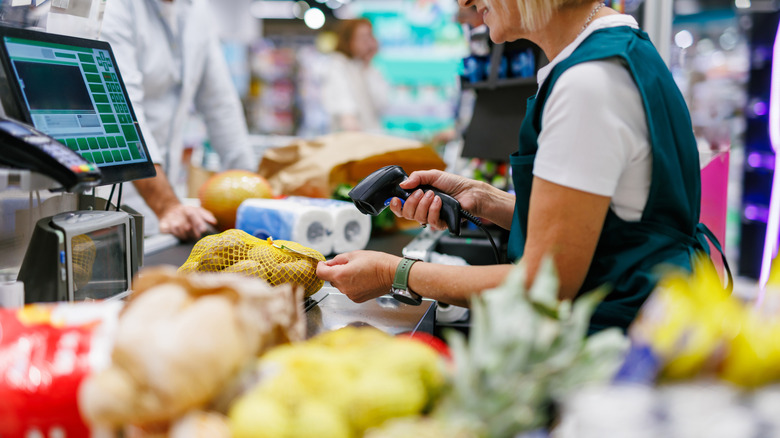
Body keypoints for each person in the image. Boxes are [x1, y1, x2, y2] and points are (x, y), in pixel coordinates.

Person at [317, 0, 728, 333]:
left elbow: (541, 283)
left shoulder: (587, 84)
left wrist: (396, 272)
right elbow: (609, 230)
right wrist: (487, 200)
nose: (464, 2)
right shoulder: (619, 51)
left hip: (618, 338)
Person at [101, 0, 258, 241]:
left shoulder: (197, 11)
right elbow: (120, 111)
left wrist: (252, 198)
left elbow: (221, 106)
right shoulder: (114, 8)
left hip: (166, 208)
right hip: (112, 204)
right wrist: (166, 205)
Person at [321, 18, 390, 133]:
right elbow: (342, 100)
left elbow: (381, 104)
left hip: (370, 135)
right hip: (351, 138)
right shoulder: (338, 64)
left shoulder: (369, 68)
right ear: (349, 40)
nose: (367, 42)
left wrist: (368, 66)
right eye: (362, 37)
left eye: (369, 36)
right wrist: (349, 119)